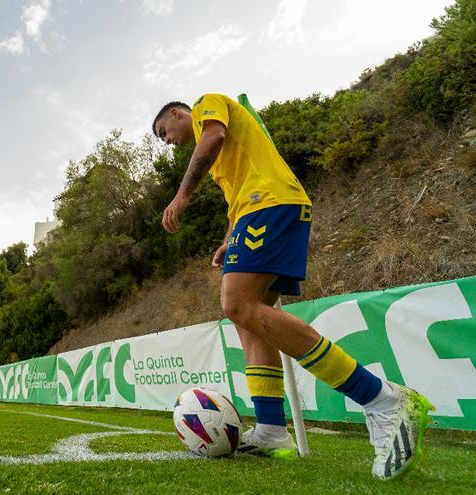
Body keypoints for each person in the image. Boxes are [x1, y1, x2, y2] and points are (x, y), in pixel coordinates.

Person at [152, 94, 433, 480]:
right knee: (247, 319)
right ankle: (271, 429)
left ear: (176, 113)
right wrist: (228, 239)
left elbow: (214, 137)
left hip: (270, 205)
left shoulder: (207, 107)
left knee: (237, 304)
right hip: (255, 211)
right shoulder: (224, 161)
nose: (166, 141)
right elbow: (237, 196)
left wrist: (182, 195)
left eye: (163, 132)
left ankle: (381, 399)